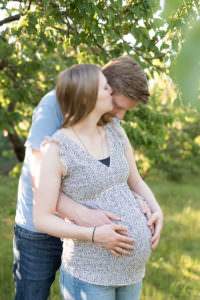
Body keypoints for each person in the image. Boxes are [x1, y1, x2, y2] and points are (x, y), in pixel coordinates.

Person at [13, 56, 163, 300]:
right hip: (40, 231)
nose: (120, 115)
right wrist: (85, 219)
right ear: (100, 91)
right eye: (118, 106)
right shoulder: (54, 106)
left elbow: (119, 179)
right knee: (33, 294)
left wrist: (148, 206)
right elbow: (38, 177)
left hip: (103, 254)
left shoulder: (111, 128)